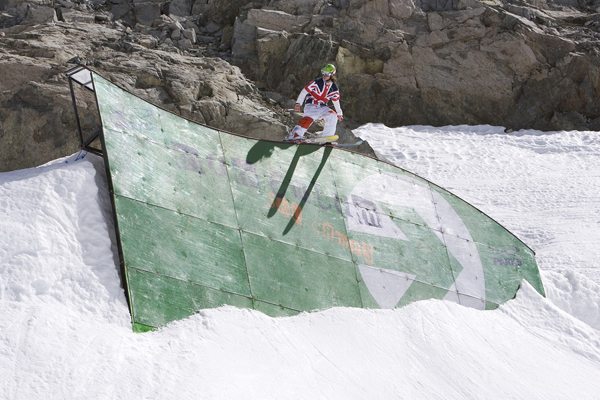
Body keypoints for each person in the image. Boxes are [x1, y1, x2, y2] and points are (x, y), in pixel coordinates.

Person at [287, 63, 343, 141]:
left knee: (333, 115)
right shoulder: (316, 82)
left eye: (326, 74)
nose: (324, 75)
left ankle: (327, 138)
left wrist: (339, 113)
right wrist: (298, 103)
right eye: (323, 73)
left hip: (323, 107)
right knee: (308, 119)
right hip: (311, 105)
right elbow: (304, 91)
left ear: (332, 74)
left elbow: (336, 101)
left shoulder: (334, 87)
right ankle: (295, 135)